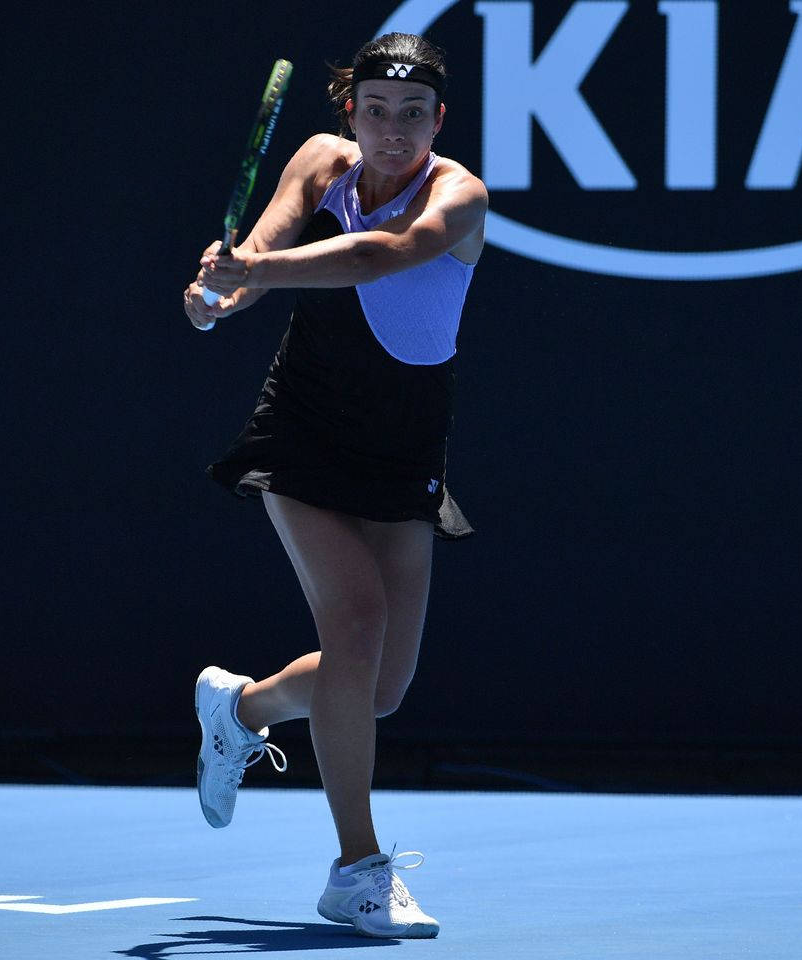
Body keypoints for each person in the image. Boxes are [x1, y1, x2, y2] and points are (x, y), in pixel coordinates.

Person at [182, 32, 487, 940]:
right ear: (349, 109)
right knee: (352, 631)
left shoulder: (457, 195)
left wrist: (258, 271)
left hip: (404, 448)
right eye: (378, 111)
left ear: (440, 120)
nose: (395, 131)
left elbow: (378, 258)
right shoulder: (322, 164)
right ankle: (359, 870)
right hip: (307, 426)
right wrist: (220, 294)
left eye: (415, 115)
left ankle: (239, 709)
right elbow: (265, 247)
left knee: (378, 688)